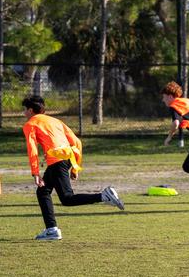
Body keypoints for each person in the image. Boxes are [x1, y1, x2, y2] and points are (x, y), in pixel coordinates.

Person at [22, 95, 125, 240]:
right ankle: (51, 230)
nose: (24, 113)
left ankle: (103, 196)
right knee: (43, 191)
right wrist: (75, 167)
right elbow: (77, 143)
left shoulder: (30, 124)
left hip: (56, 161)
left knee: (67, 198)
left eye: (24, 110)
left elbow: (32, 149)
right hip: (67, 159)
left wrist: (35, 173)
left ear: (31, 110)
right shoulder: (56, 121)